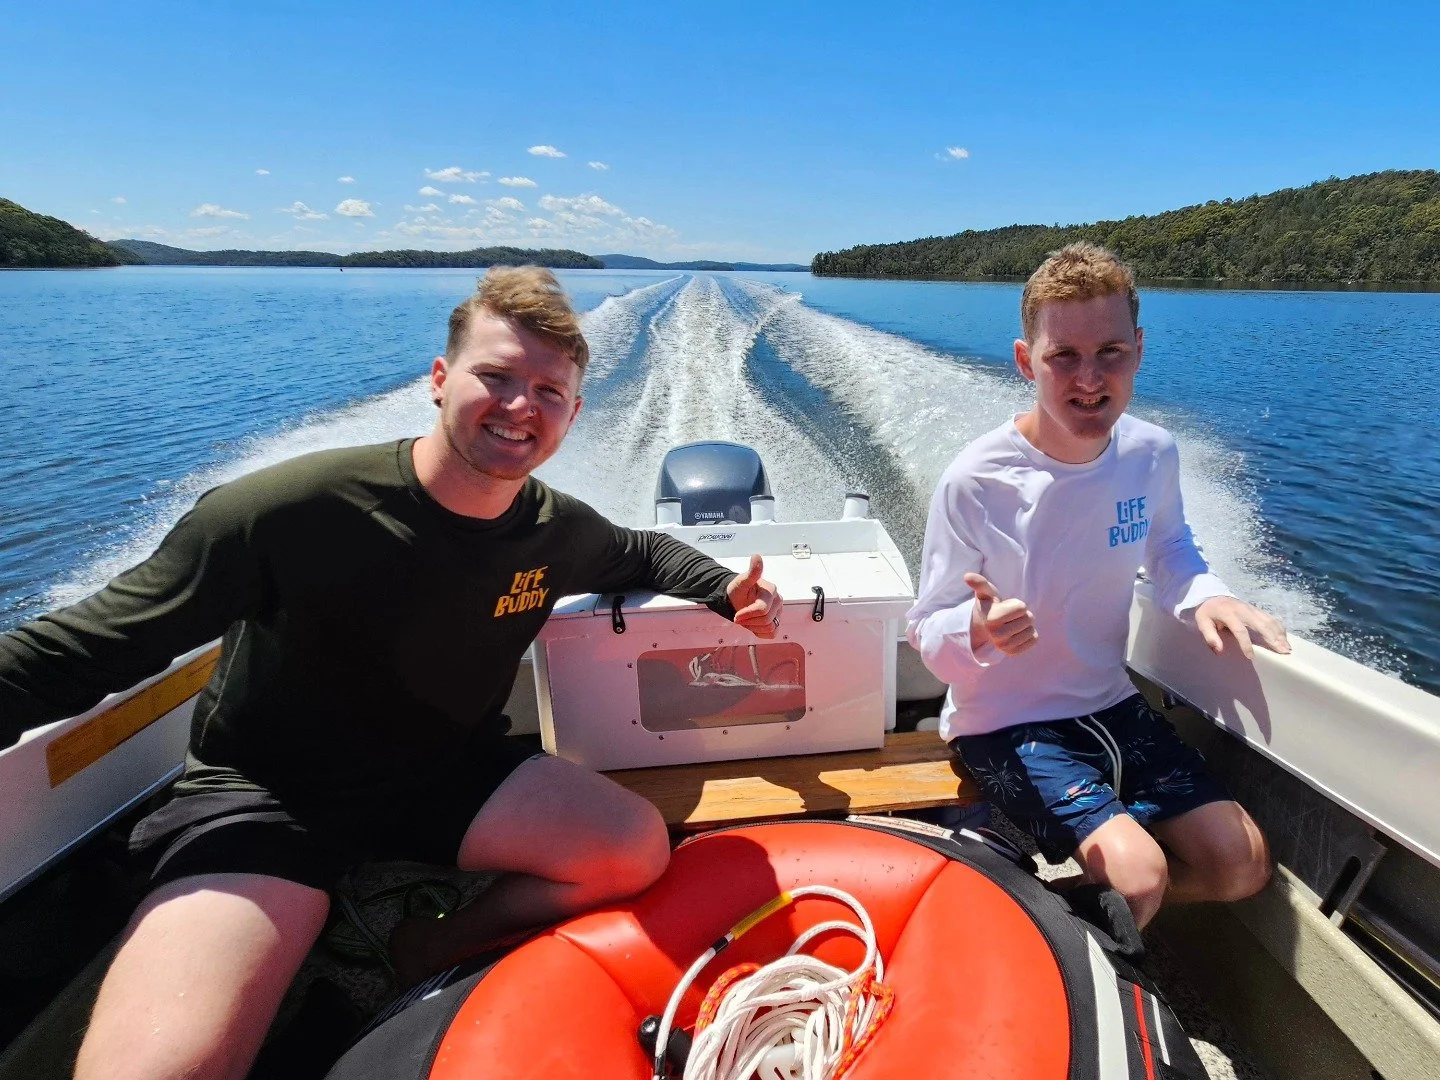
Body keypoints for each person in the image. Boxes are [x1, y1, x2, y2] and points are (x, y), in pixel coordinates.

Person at [0, 266, 783, 1080]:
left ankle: (427, 943)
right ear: (440, 380)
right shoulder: (289, 511)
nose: (521, 407)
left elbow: (642, 551)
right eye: (497, 376)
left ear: (573, 414)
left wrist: (726, 591)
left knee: (630, 848)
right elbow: (82, 649)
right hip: (271, 795)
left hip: (444, 774)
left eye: (549, 391)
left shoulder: (551, 530)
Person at [907, 242, 1288, 930]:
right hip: (1002, 721)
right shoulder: (977, 481)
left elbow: (1171, 547)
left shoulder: (1151, 452)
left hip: (1110, 703)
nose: (1089, 378)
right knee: (1141, 880)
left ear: (1138, 351)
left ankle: (1057, 916)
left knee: (1242, 865)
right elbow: (928, 632)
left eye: (1110, 352)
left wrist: (1207, 594)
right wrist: (978, 630)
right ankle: (1065, 938)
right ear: (1027, 361)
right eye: (1064, 357)